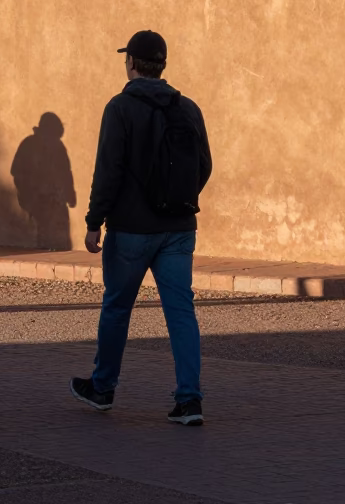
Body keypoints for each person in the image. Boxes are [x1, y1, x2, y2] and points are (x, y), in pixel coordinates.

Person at [70, 30, 212, 426]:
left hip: (131, 228)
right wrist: (177, 200)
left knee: (117, 307)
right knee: (181, 312)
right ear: (162, 65)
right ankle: (189, 400)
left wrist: (94, 221)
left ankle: (102, 388)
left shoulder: (119, 108)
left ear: (131, 63)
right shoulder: (189, 109)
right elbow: (205, 166)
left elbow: (108, 170)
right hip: (179, 228)